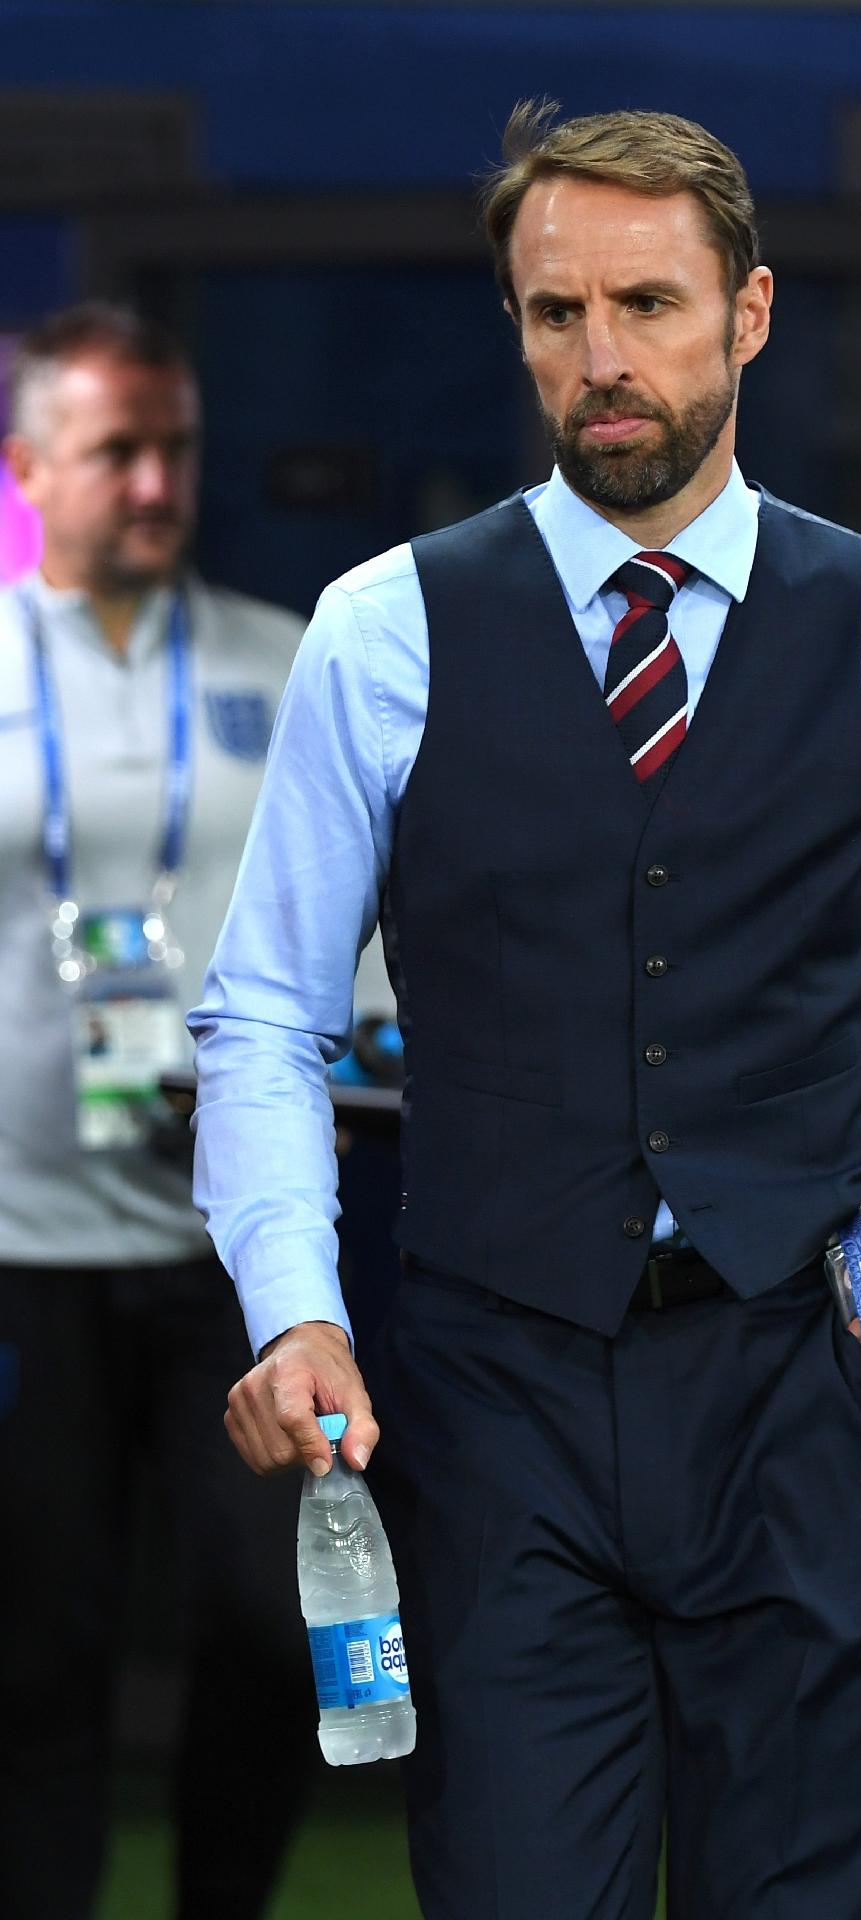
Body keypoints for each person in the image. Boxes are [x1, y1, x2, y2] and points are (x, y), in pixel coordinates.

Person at [191, 104, 861, 1920]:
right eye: (554, 316)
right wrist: (294, 1309)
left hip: (811, 1380)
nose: (599, 362)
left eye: (646, 306)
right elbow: (265, 1017)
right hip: (494, 1396)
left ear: (750, 315)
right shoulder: (383, 629)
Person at [0, 303, 317, 1920]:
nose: (151, 480)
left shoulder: (286, 658)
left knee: (269, 1627)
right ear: (26, 466)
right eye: (115, 447)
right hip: (19, 1245)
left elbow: (362, 951)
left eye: (174, 446)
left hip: (235, 1259)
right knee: (35, 1649)